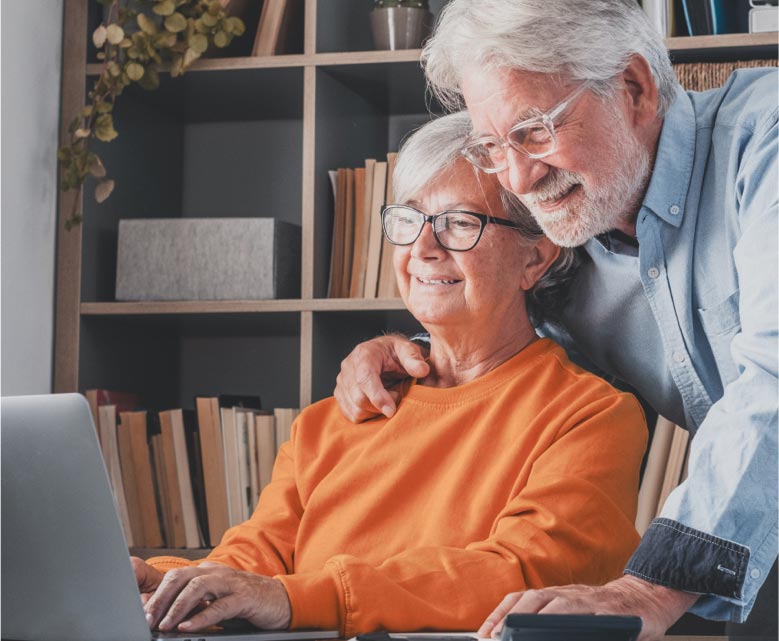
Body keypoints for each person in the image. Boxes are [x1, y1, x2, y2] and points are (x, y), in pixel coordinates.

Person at [333, 1, 778, 639]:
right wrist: (416, 352)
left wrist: (649, 587)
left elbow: (774, 378)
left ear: (634, 88)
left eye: (536, 131)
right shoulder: (571, 234)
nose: (518, 177)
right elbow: (504, 346)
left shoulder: (767, 136)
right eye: (493, 146)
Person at [132, 112, 647, 638]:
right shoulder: (341, 412)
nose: (423, 247)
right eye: (409, 219)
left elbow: (519, 576)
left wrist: (302, 597)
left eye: (460, 222)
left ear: (534, 257)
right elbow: (259, 553)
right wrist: (172, 582)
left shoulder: (592, 416)